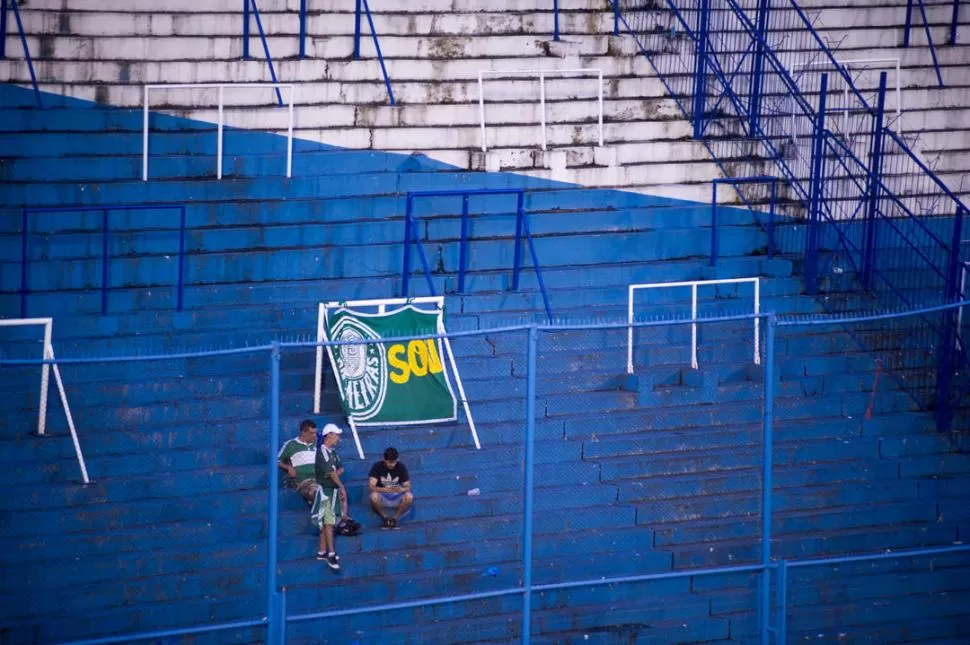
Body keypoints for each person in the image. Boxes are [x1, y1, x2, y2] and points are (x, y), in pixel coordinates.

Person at [311, 423, 346, 570]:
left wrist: (334, 477)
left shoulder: (332, 453)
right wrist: (341, 486)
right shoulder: (323, 452)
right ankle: (331, 553)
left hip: (331, 491)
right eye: (336, 434)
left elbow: (339, 469)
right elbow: (331, 473)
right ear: (329, 435)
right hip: (326, 492)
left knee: (327, 522)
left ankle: (321, 551)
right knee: (329, 523)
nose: (338, 437)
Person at [368, 447, 414, 530]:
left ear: (398, 459)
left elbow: (408, 486)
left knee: (409, 496)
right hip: (383, 496)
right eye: (389, 462)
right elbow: (371, 486)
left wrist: (401, 490)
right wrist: (385, 490)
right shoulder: (377, 466)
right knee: (373, 496)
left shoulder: (401, 467)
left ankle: (394, 519)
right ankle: (385, 518)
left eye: (394, 462)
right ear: (384, 459)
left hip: (396, 495)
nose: (392, 465)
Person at [277, 419, 318, 505]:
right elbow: (276, 461)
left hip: (319, 479)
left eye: (315, 433)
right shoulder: (291, 444)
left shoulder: (317, 444)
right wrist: (288, 467)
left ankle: (342, 517)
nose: (314, 436)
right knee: (317, 492)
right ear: (303, 432)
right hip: (303, 481)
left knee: (337, 491)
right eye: (311, 433)